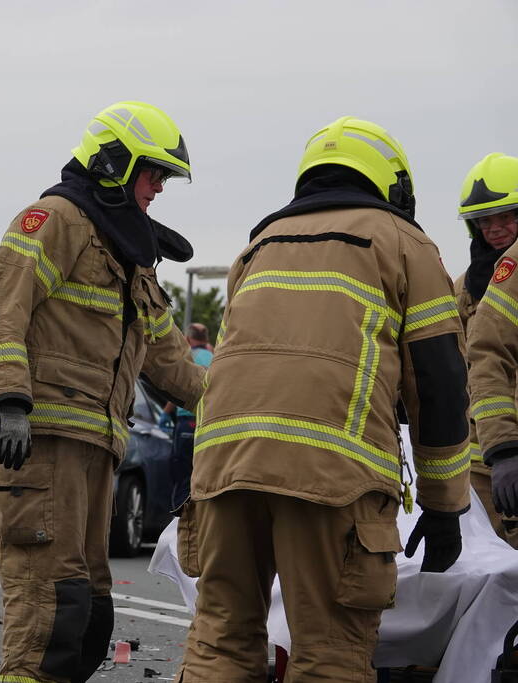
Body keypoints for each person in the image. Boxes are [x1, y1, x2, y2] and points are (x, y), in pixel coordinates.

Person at [179, 117, 470, 682]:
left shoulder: (257, 246)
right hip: (332, 478)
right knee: (329, 652)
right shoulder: (404, 243)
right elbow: (439, 383)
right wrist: (444, 505)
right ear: (392, 182)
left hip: (223, 472)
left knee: (221, 642)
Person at [0, 101, 206, 683]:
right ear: (113, 164)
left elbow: (170, 356)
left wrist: (235, 410)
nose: (158, 188)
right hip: (40, 444)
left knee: (86, 619)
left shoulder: (127, 251)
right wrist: (9, 403)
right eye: (152, 173)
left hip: (97, 448)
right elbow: (3, 311)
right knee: (48, 615)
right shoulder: (56, 220)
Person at [454, 153, 518, 548]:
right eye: (484, 220)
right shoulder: (462, 287)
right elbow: (478, 358)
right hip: (479, 463)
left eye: (506, 216)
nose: (494, 229)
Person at [162, 322, 214, 509]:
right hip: (208, 422)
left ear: (188, 339)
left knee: (182, 477)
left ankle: (180, 519)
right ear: (206, 339)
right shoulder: (216, 358)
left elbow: (179, 389)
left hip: (187, 422)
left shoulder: (189, 357)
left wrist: (166, 414)